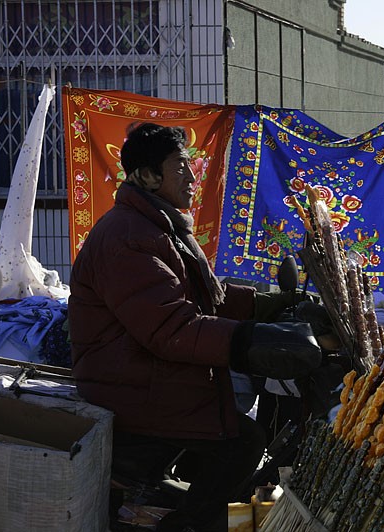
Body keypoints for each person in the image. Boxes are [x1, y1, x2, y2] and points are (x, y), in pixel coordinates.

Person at [69, 122, 322, 532]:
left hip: (151, 375)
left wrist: (272, 305)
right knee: (243, 441)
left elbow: (207, 295)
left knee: (235, 432)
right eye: (180, 167)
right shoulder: (128, 236)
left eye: (190, 165)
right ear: (148, 176)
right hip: (131, 384)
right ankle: (186, 526)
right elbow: (170, 327)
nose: (192, 176)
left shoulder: (159, 226)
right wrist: (247, 341)